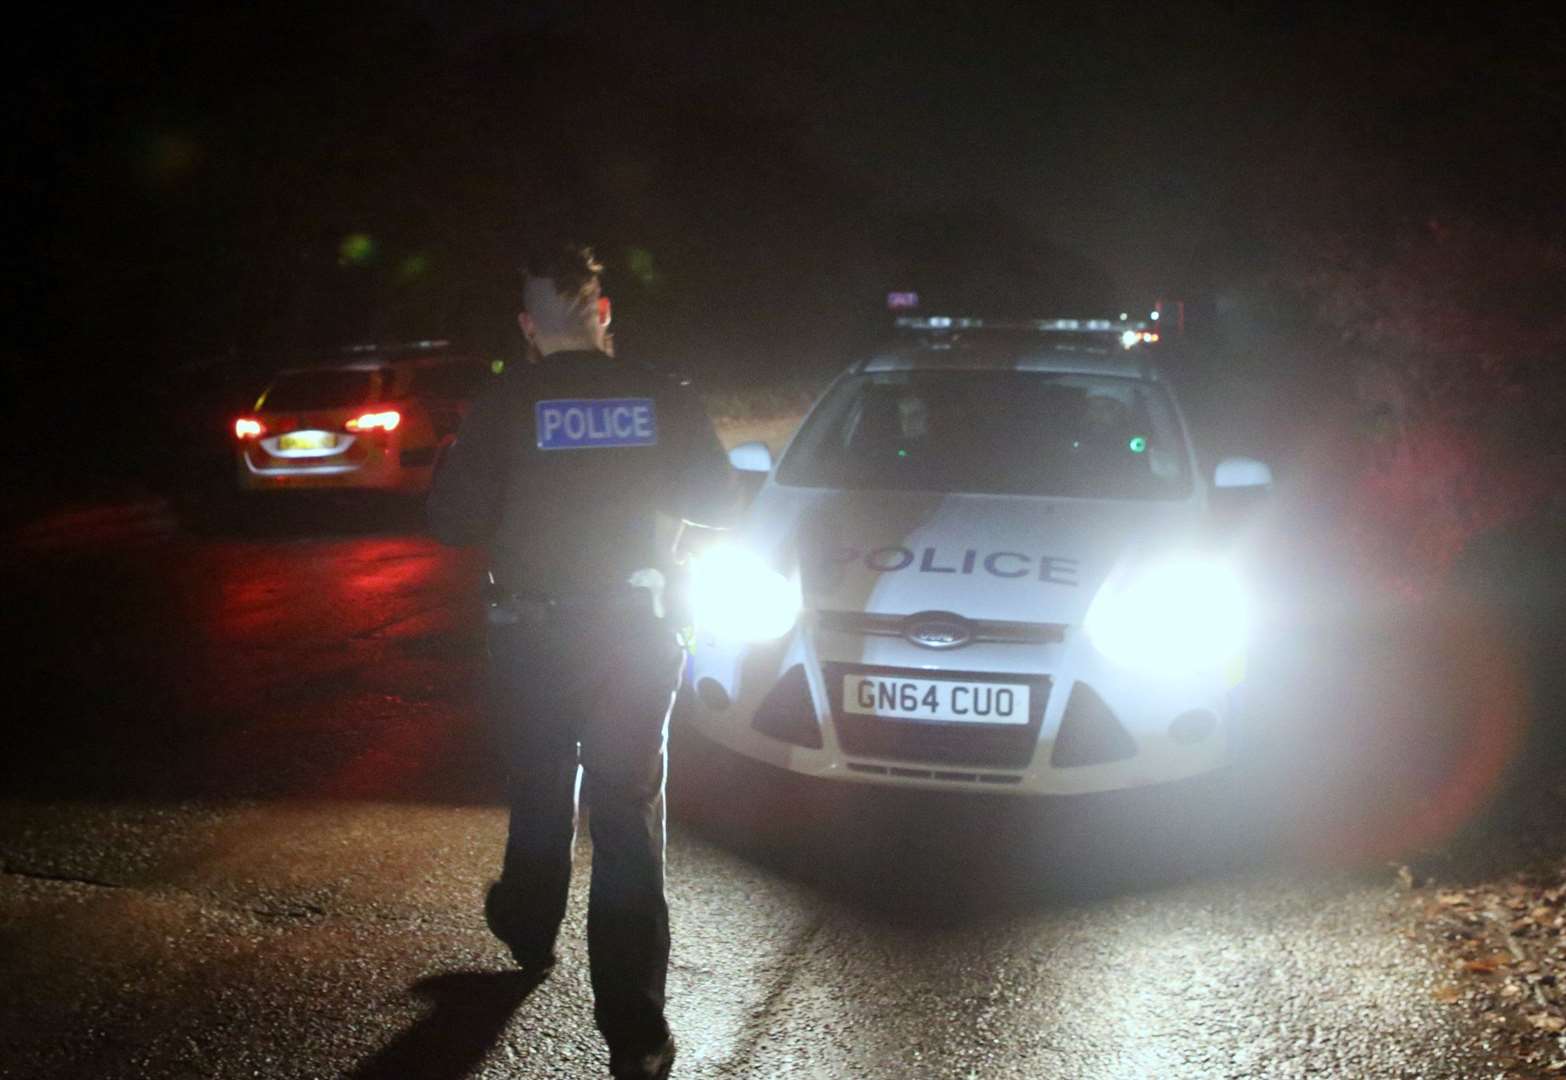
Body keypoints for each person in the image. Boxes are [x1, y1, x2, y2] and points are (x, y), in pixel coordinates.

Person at [427, 242, 735, 1080]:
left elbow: (453, 521)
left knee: (537, 785)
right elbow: (719, 502)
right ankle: (634, 1036)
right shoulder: (661, 395)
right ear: (604, 316)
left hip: (531, 637)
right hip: (634, 634)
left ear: (529, 327)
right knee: (627, 818)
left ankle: (528, 930)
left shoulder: (503, 400)